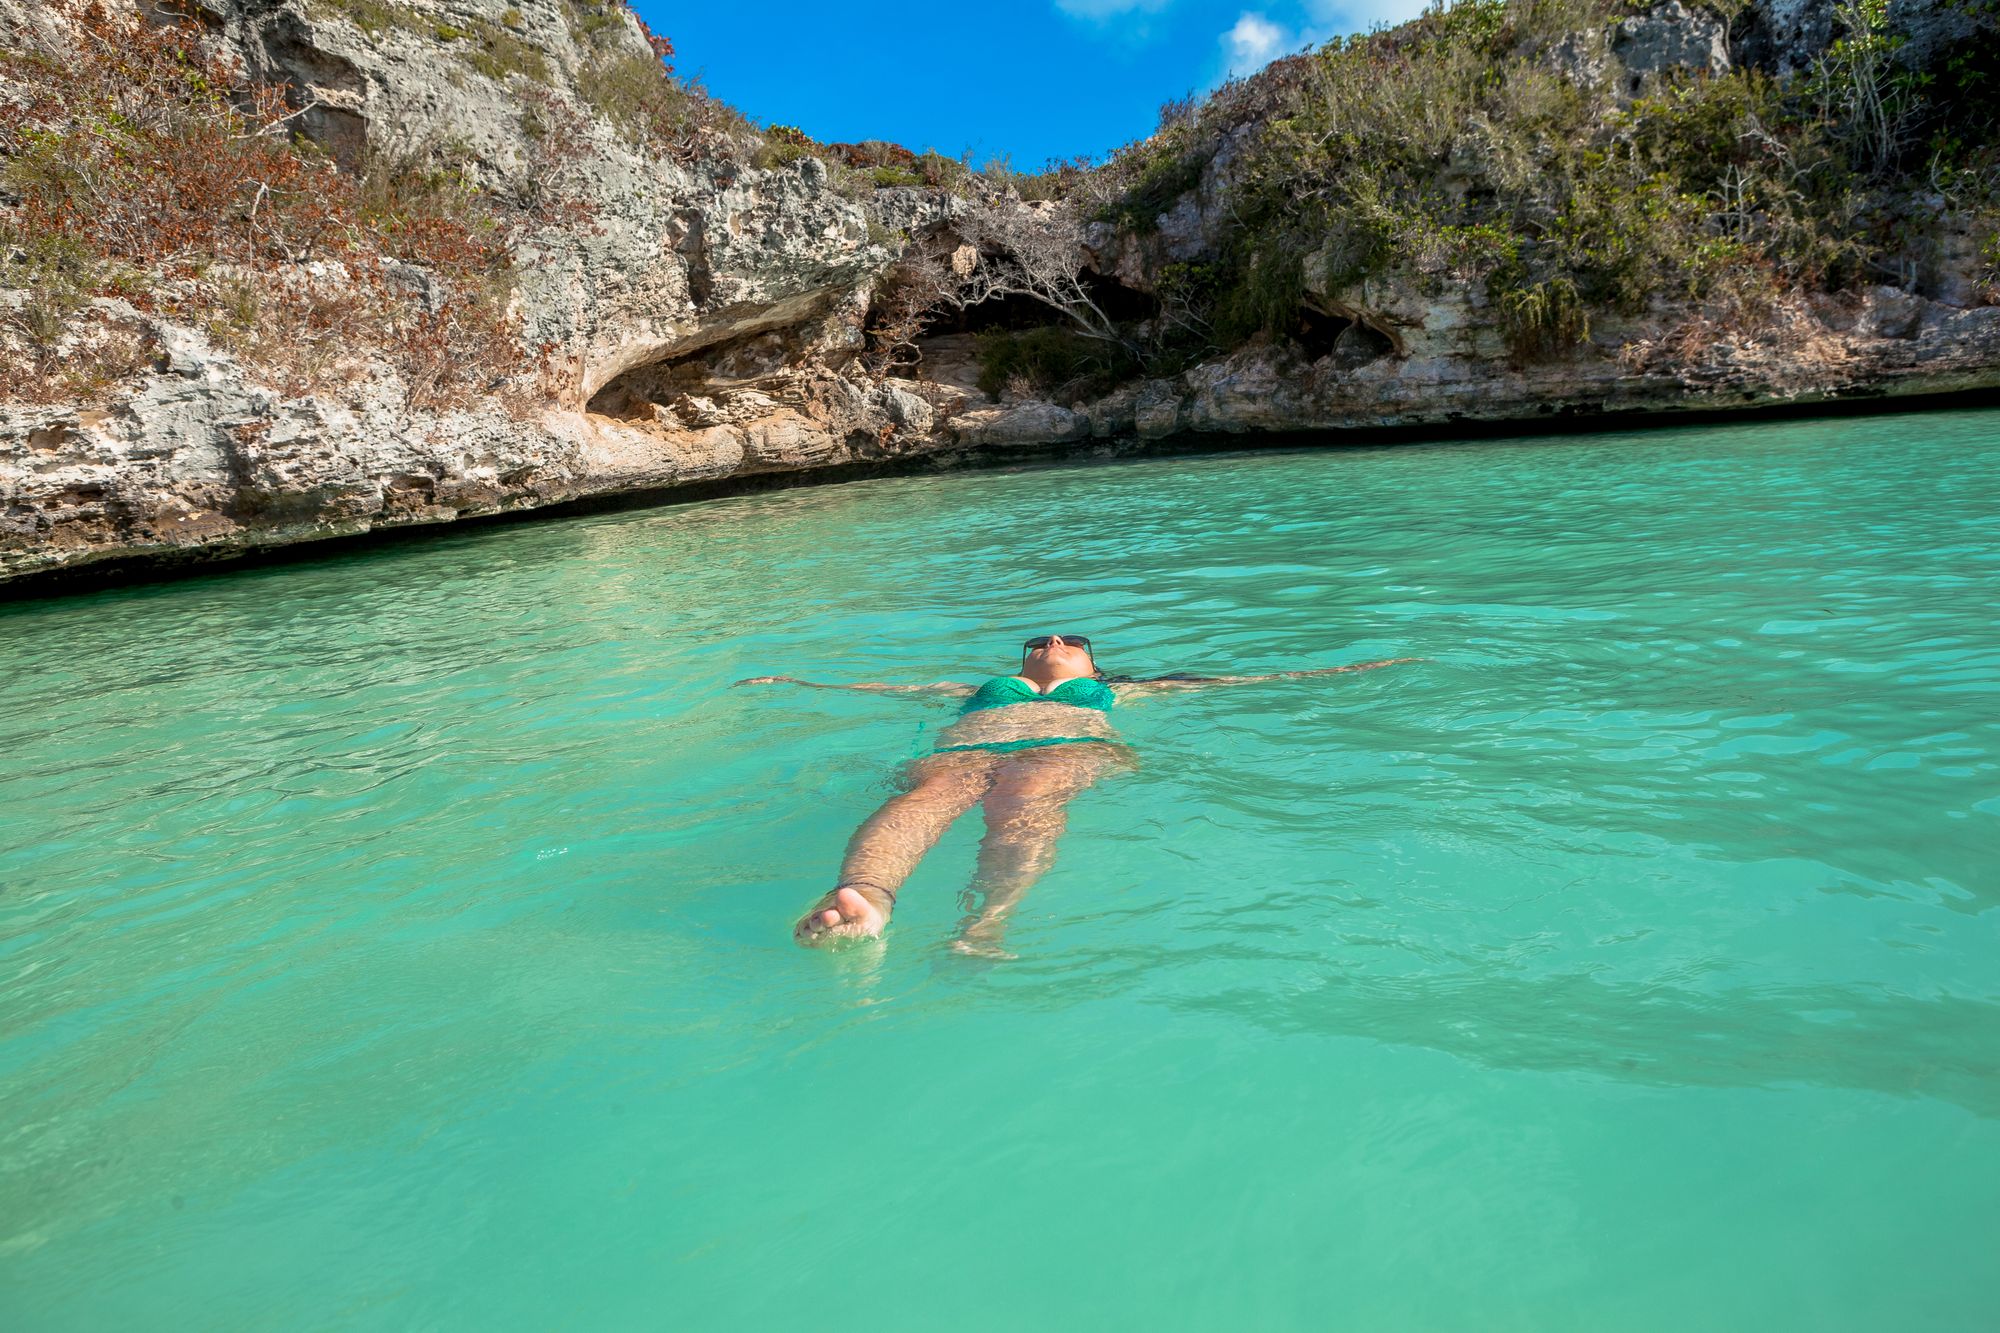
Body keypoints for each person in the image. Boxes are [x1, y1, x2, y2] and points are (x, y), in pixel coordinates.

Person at [737, 634, 1418, 955]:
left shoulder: (1125, 688)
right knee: (919, 803)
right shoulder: (967, 690)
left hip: (1068, 746)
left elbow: (1246, 680)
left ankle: (984, 922)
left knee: (1024, 809)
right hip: (964, 748)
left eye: (1070, 641)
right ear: (1020, 662)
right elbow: (878, 688)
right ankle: (866, 900)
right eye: (1039, 640)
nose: (1054, 641)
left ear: (1095, 667)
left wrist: (1351, 668)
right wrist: (793, 684)